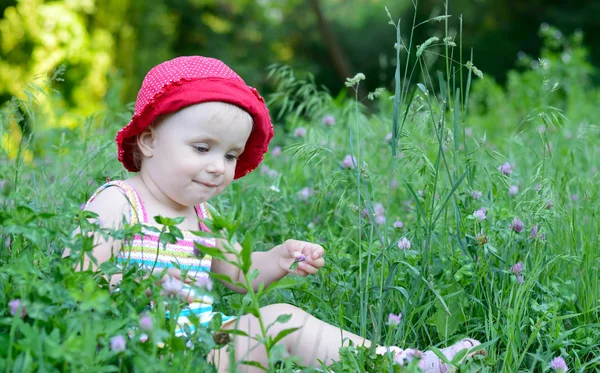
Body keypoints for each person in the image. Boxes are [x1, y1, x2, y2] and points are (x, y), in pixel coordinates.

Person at [65, 56, 484, 372]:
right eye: (201, 148)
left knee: (280, 320)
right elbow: (77, 278)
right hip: (138, 351)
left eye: (230, 155)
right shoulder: (119, 202)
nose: (218, 166)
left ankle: (405, 363)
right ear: (150, 140)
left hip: (204, 345)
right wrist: (120, 298)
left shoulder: (199, 215)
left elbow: (235, 273)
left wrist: (278, 259)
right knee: (266, 327)